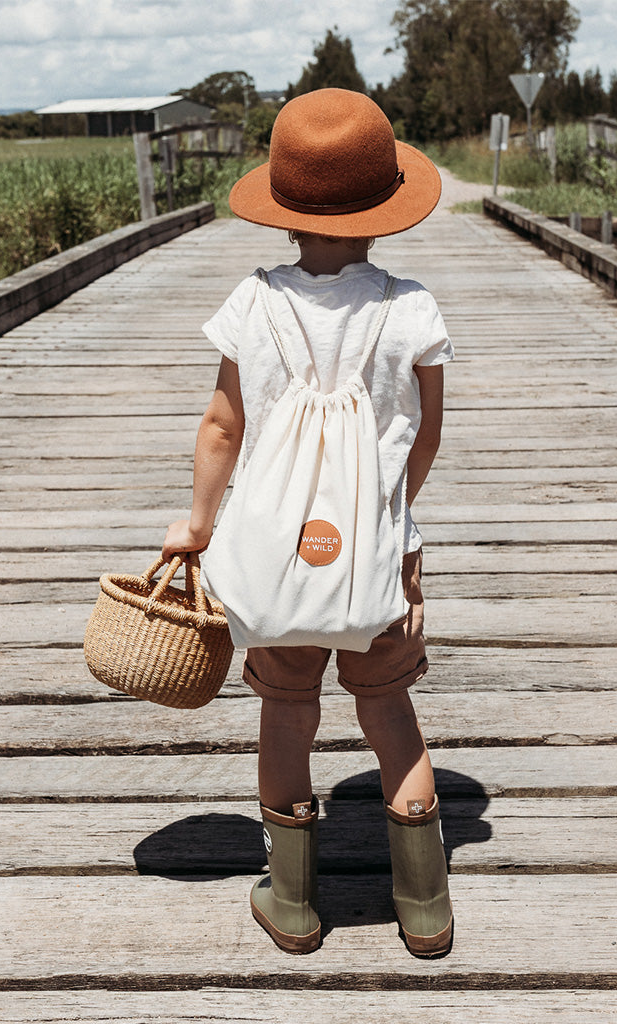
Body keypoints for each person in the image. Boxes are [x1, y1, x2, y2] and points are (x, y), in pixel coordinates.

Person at [162, 88, 454, 958]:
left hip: (274, 561)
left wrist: (198, 526)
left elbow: (221, 426)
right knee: (390, 711)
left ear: (286, 210)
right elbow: (426, 436)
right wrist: (396, 524)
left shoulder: (253, 303)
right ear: (384, 210)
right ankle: (425, 905)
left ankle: (291, 902)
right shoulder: (411, 309)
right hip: (378, 558)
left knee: (287, 714)